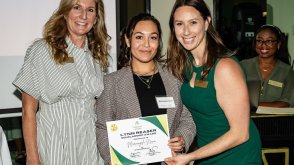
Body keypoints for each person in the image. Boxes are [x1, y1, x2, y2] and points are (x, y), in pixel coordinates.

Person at [12, 0, 109, 164]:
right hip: (55, 145)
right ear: (65, 12)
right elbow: (28, 109)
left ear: (96, 18)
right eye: (77, 7)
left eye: (90, 10)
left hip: (91, 147)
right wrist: (33, 158)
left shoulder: (97, 56)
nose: (83, 16)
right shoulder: (42, 50)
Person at [165, 0, 261, 164]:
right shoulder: (186, 64)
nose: (186, 31)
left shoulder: (225, 67)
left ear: (207, 22)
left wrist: (191, 156)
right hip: (207, 152)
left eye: (193, 22)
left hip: (237, 156)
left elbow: (240, 133)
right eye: (179, 24)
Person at [95, 13, 196, 165]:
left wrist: (182, 139)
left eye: (153, 37)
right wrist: (112, 158)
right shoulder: (111, 83)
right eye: (139, 37)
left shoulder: (176, 77)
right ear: (128, 41)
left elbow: (187, 118)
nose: (146, 44)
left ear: (158, 42)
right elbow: (102, 127)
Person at [241, 24, 294, 108]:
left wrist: (254, 106)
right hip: (245, 118)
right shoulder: (243, 66)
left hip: (275, 120)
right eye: (259, 41)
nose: (263, 45)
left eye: (269, 41)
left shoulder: (286, 71)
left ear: (278, 44)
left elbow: (287, 102)